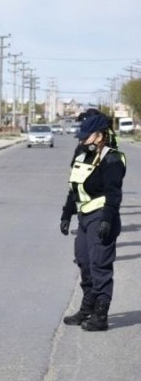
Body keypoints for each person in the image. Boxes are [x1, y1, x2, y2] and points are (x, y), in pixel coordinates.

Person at [60, 111, 126, 331]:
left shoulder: (112, 158)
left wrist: (107, 220)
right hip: (85, 217)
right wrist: (66, 214)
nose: (82, 139)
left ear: (99, 135)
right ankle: (87, 307)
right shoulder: (82, 155)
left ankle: (101, 315)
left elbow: (113, 193)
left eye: (86, 136)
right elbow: (74, 189)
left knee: (100, 265)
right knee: (84, 261)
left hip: (102, 216)